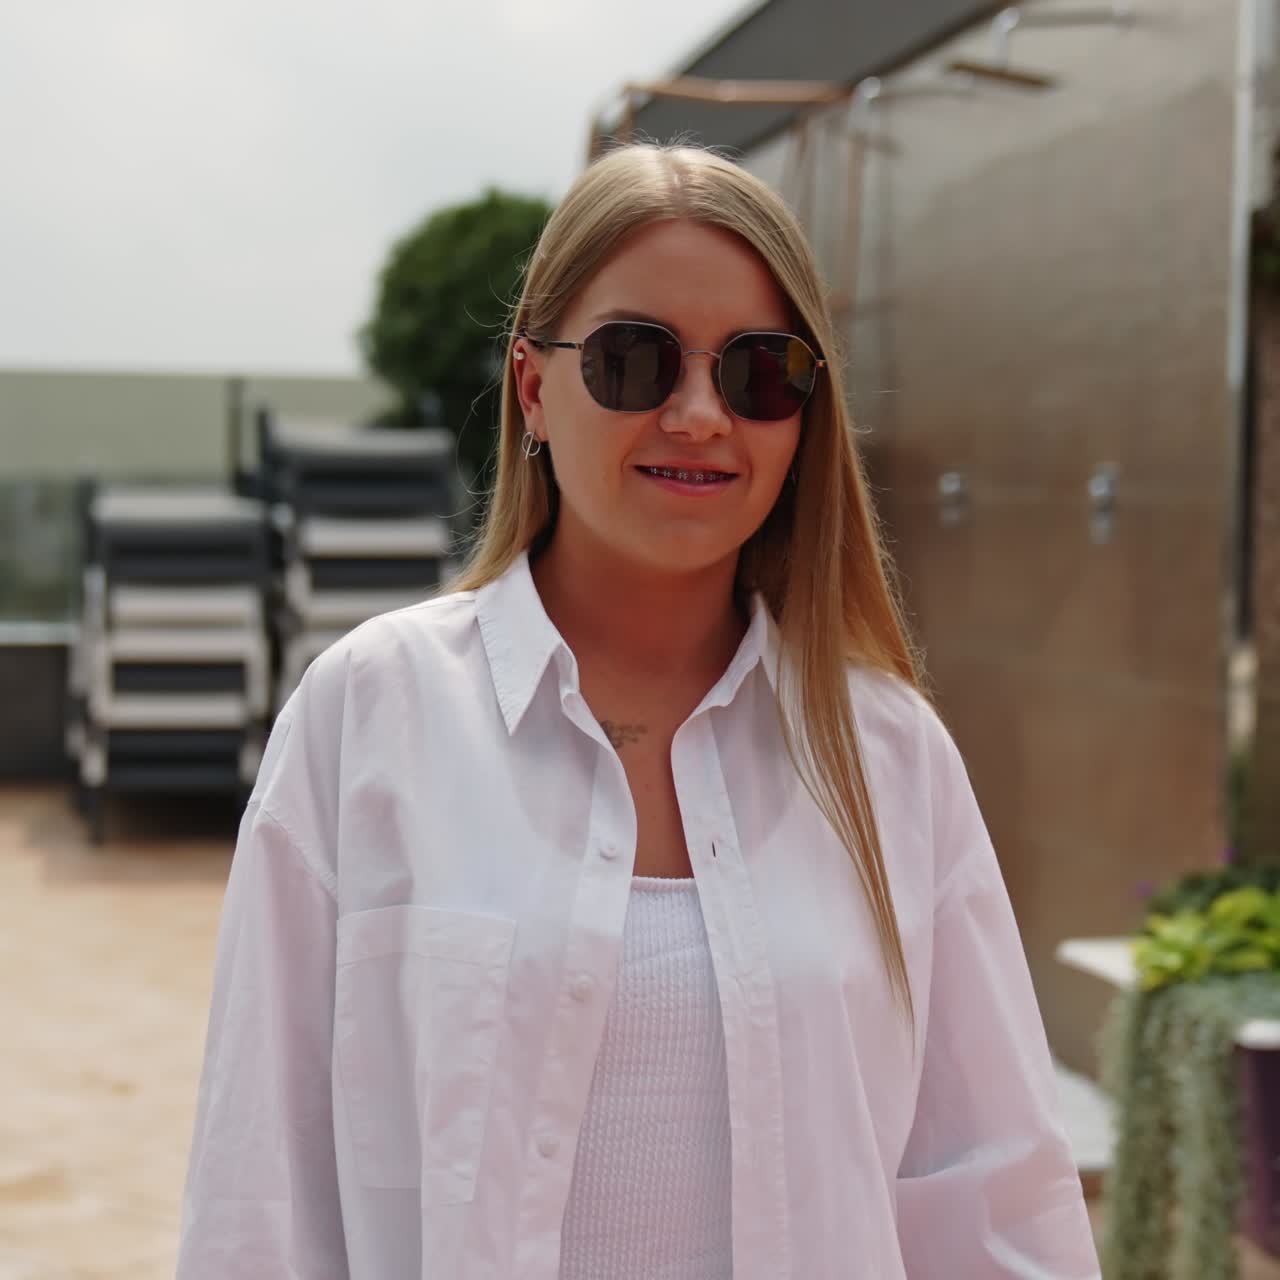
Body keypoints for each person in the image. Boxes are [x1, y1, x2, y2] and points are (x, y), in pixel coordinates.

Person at [176, 142, 1101, 1279]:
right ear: (532, 387)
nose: (701, 414)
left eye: (760, 371)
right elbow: (258, 1190)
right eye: (633, 360)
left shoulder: (889, 755)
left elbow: (994, 1193)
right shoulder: (369, 717)